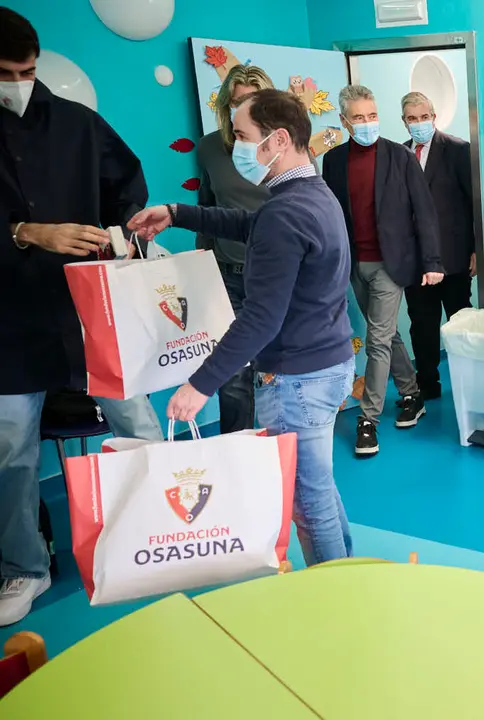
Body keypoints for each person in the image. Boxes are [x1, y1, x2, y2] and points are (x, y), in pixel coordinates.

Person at [128, 88, 357, 567]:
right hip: (329, 362)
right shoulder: (312, 195)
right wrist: (178, 213)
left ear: (278, 140)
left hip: (297, 378)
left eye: (243, 135)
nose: (236, 146)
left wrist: (199, 384)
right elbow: (252, 225)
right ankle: (346, 575)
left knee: (307, 501)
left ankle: (335, 591)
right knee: (318, 486)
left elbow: (261, 316)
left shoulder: (285, 212)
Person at [0, 8, 163, 626]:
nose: (20, 83)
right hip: (11, 322)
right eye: (7, 73)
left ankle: (162, 527)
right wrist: (23, 232)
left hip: (91, 309)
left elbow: (128, 185)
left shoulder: (77, 123)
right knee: (10, 452)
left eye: (28, 71)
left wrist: (124, 236)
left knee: (137, 422)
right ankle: (24, 565)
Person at [323, 85, 443, 457]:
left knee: (376, 339)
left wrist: (432, 262)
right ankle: (411, 392)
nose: (367, 123)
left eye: (372, 115)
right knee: (386, 333)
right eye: (359, 117)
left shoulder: (399, 156)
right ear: (344, 121)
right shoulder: (333, 161)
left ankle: (368, 420)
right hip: (354, 263)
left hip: (391, 263)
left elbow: (424, 211)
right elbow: (331, 214)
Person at [195, 64, 274, 434]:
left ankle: (284, 448)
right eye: (238, 101)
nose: (245, 108)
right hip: (228, 277)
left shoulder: (283, 146)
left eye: (254, 101)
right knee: (232, 376)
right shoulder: (209, 148)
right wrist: (203, 267)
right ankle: (236, 450)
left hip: (275, 277)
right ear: (226, 105)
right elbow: (208, 209)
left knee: (279, 370)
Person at [401, 91, 477, 401]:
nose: (419, 123)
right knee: (422, 325)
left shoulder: (458, 150)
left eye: (424, 117)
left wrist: (476, 250)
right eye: (412, 118)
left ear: (434, 117)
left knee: (460, 322)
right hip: (416, 261)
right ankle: (427, 385)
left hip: (454, 257)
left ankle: (470, 385)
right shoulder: (400, 154)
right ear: (404, 121)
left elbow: (473, 203)